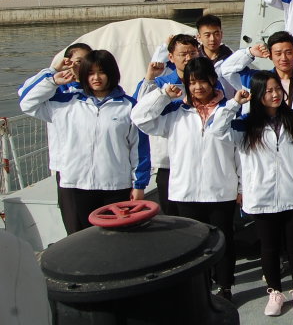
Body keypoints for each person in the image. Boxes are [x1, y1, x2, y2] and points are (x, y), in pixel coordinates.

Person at [131, 57, 241, 301]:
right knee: (194, 244)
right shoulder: (175, 112)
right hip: (186, 191)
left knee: (224, 239)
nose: (198, 87)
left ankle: (225, 286)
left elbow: (240, 153)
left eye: (202, 81)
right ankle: (201, 287)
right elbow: (139, 118)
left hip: (221, 189)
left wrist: (241, 186)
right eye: (192, 82)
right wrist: (162, 95)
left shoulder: (229, 110)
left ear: (213, 81)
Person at [214, 72, 293, 317]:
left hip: (292, 194)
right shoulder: (244, 124)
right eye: (268, 91)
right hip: (261, 197)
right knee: (269, 248)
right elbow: (216, 129)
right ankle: (275, 292)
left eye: (277, 89)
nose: (275, 95)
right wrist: (234, 103)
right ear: (257, 95)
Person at [220, 31, 293, 280]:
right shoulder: (256, 81)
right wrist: (249, 53)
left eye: (288, 52)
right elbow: (226, 70)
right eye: (278, 53)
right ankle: (276, 263)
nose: (283, 58)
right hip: (263, 154)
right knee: (269, 222)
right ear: (271, 56)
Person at [19, 50, 150, 234]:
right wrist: (52, 79)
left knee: (117, 238)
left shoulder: (128, 106)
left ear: (112, 74)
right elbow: (26, 102)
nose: (96, 78)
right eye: (90, 73)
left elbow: (139, 149)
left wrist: (139, 185)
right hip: (76, 185)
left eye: (101, 72)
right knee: (81, 238)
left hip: (116, 186)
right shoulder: (65, 103)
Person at [134, 34, 202, 216]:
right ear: (171, 57)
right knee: (174, 218)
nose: (188, 58)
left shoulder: (209, 83)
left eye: (192, 53)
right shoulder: (160, 84)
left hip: (201, 162)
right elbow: (140, 112)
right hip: (169, 164)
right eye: (183, 54)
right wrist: (150, 79)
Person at [19, 42, 92, 210]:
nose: (83, 66)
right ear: (68, 62)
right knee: (74, 217)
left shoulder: (100, 89)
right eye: (78, 61)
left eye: (87, 61)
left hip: (99, 164)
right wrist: (53, 72)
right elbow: (26, 98)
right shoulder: (56, 90)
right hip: (67, 167)